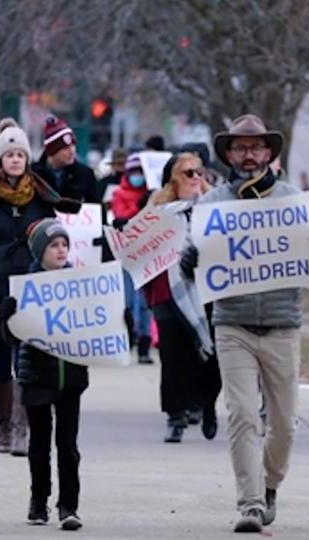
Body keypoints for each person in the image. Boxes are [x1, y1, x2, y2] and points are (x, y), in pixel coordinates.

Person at [179, 114, 309, 533]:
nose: (248, 155)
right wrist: (189, 264)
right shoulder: (211, 207)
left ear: (269, 153)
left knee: (284, 424)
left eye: (256, 147)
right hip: (233, 326)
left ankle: (269, 485)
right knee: (243, 415)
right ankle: (248, 504)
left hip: (282, 324)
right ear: (229, 153)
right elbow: (193, 270)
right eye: (240, 148)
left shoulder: (293, 201)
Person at [0, 118, 81, 456]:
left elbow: (56, 236)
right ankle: (4, 425)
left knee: (24, 360)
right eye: (9, 154)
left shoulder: (41, 197)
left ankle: (19, 430)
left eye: (20, 154)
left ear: (28, 159)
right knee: (0, 362)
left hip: (32, 289)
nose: (15, 159)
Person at [0, 218, 87, 530]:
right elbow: (11, 338)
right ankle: (39, 502)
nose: (61, 250)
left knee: (68, 445)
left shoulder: (82, 284)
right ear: (40, 251)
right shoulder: (27, 287)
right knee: (39, 445)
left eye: (65, 244)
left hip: (71, 378)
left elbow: (95, 326)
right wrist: (7, 317)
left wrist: (119, 318)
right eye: (54, 245)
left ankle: (69, 506)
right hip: (36, 376)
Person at [143, 153, 221, 443]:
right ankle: (174, 415)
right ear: (174, 178)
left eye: (199, 172)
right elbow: (139, 252)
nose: (195, 177)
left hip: (208, 290)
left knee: (209, 355)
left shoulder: (215, 209)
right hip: (168, 291)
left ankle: (205, 403)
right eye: (188, 172)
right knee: (172, 356)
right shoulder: (158, 211)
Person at [111, 153, 154, 364]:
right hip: (127, 253)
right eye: (133, 172)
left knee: (146, 304)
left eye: (140, 172)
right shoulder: (119, 193)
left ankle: (144, 347)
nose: (137, 176)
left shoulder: (152, 193)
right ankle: (127, 341)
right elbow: (122, 218)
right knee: (126, 301)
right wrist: (140, 207)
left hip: (147, 252)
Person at [94, 149, 127, 262]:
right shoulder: (103, 183)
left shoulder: (131, 183)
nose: (120, 168)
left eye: (123, 165)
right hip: (107, 226)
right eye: (118, 165)